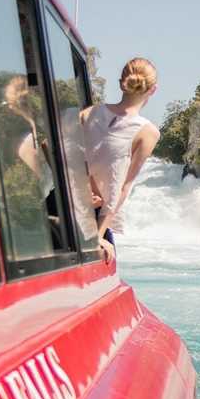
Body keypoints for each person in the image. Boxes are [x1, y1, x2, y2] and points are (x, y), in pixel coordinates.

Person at [81, 57, 161, 262]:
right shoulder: (147, 132)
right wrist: (98, 235)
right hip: (93, 219)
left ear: (121, 83)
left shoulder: (90, 113)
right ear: (153, 90)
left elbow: (49, 146)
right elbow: (123, 187)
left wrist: (80, 184)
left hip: (61, 204)